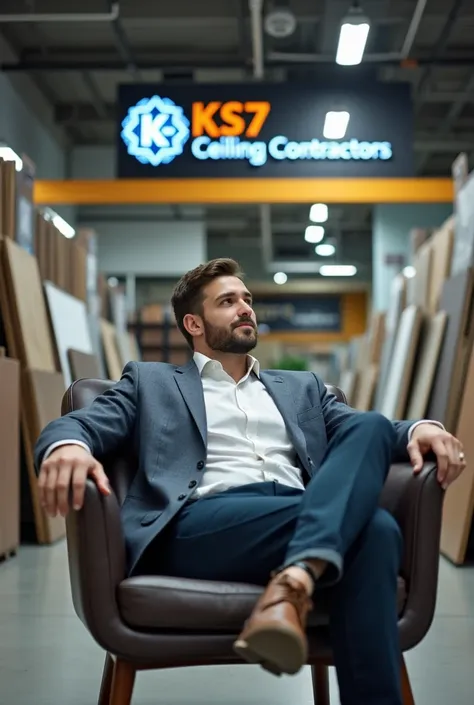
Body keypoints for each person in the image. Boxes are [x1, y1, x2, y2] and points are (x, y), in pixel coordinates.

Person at [35, 258, 465, 705]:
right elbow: (79, 424)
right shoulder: (151, 381)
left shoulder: (303, 387)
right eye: (228, 301)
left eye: (247, 299)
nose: (245, 308)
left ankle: (295, 579)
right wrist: (68, 447)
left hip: (296, 514)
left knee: (372, 447)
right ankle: (299, 580)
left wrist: (422, 429)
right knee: (374, 531)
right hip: (200, 522)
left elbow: (370, 434)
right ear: (193, 323)